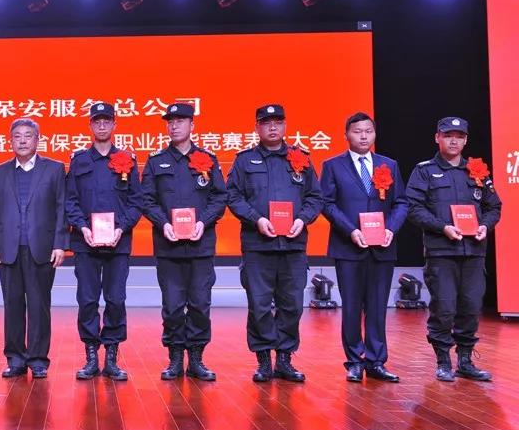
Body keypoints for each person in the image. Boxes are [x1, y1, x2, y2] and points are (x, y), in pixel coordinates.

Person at [226, 104, 323, 383]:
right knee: (259, 304)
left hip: (293, 245)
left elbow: (315, 197)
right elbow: (233, 196)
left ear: (285, 126)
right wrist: (256, 219)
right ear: (257, 127)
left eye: (278, 122)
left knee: (292, 304)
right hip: (258, 245)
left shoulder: (300, 158)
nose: (272, 127)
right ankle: (263, 360)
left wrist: (302, 219)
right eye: (266, 122)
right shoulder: (244, 161)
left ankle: (284, 359)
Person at [405, 116, 502, 382]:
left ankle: (466, 361)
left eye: (459, 137)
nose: (453, 141)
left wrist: (484, 226)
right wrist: (442, 227)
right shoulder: (424, 171)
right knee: (444, 307)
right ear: (437, 137)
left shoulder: (477, 170)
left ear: (466, 140)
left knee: (471, 306)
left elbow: (494, 206)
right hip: (441, 252)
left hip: (474, 252)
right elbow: (413, 207)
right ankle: (443, 361)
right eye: (448, 135)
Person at [141, 103, 227, 381]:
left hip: (201, 246)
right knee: (173, 306)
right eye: (170, 121)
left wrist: (204, 221)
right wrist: (163, 223)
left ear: (192, 125)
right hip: (169, 247)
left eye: (180, 121)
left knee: (200, 304)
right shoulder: (156, 161)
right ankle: (175, 358)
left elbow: (220, 197)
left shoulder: (207, 159)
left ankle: (197, 359)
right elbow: (146, 199)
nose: (174, 125)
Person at [320, 112, 407, 383]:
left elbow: (401, 202)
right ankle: (355, 361)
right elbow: (327, 204)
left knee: (378, 306)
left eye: (368, 131)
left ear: (374, 134)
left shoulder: (389, 165)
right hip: (349, 247)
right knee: (351, 306)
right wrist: (351, 230)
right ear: (346, 135)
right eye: (357, 131)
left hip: (382, 248)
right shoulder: (333, 166)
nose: (363, 136)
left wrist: (391, 228)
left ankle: (376, 361)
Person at [0, 118, 67, 379]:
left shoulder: (54, 169)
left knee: (40, 305)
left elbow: (61, 208)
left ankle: (38, 359)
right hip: (8, 249)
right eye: (17, 136)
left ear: (37, 139)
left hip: (41, 248)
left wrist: (60, 244)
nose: (22, 141)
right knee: (13, 305)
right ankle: (16, 359)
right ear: (10, 141)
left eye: (27, 136)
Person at [66, 102, 144, 381]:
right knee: (87, 300)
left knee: (115, 299)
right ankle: (91, 356)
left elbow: (137, 201)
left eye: (106, 121)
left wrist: (121, 228)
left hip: (117, 243)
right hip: (85, 243)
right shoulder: (79, 161)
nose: (101, 125)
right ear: (90, 125)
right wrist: (82, 227)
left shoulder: (127, 160)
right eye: (97, 121)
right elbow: (70, 200)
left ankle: (111, 357)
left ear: (114, 125)